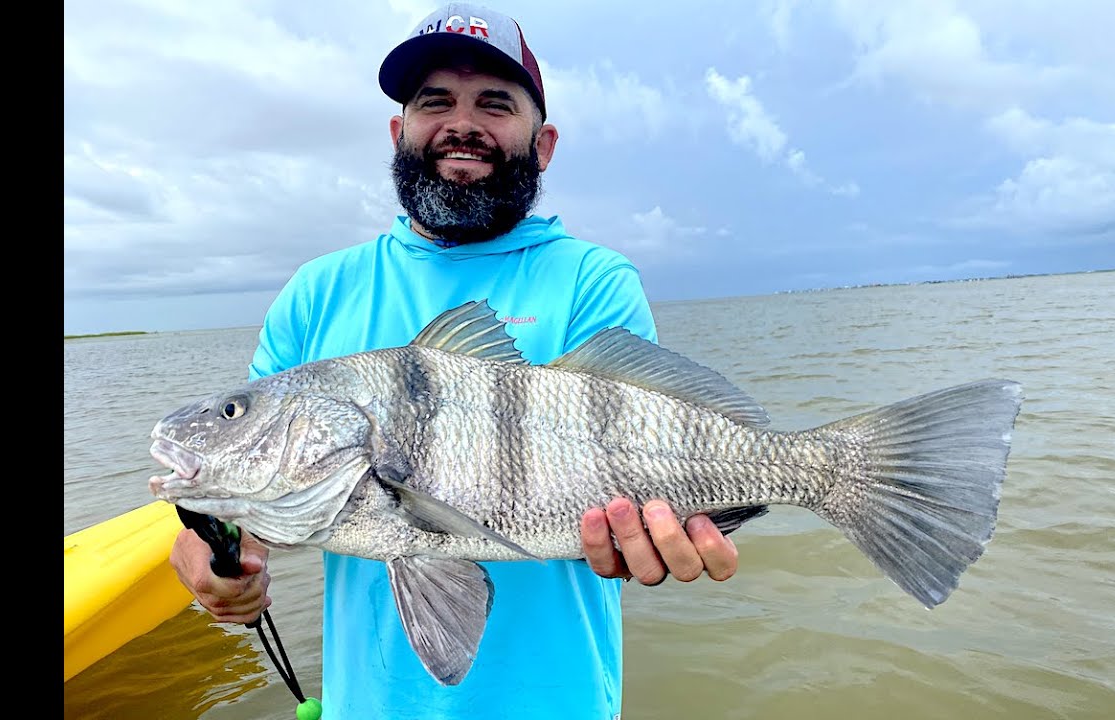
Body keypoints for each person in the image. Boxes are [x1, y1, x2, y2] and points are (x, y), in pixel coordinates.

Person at [168, 4, 740, 717]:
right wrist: (213, 550)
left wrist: (654, 539)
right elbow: (269, 492)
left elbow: (649, 464)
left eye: (494, 104)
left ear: (545, 142)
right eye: (434, 101)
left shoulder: (595, 281)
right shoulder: (317, 293)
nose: (461, 124)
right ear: (398, 130)